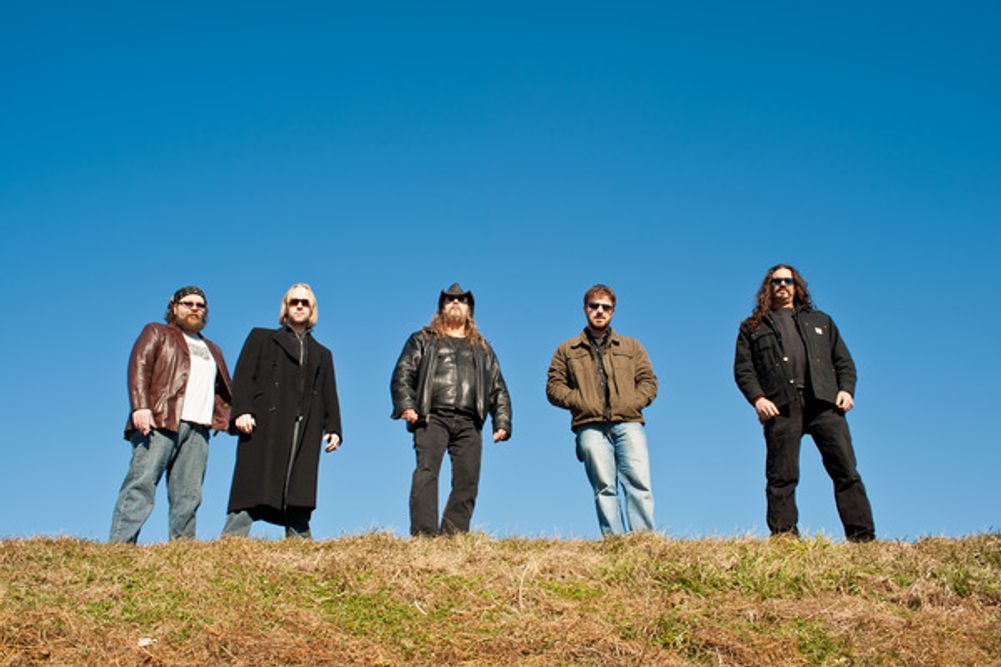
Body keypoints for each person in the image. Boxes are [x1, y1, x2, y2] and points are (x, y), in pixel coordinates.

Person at [734, 264, 875, 542]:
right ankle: (784, 537)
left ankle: (862, 538)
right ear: (768, 288)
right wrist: (758, 398)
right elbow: (743, 369)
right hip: (781, 405)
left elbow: (844, 362)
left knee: (845, 469)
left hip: (823, 402)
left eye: (788, 281)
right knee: (781, 475)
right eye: (776, 281)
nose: (782, 286)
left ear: (796, 286)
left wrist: (846, 390)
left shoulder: (821, 321)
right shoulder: (753, 326)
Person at [110, 286, 232, 543]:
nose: (195, 309)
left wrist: (230, 419)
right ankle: (120, 544)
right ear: (174, 308)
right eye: (188, 304)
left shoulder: (212, 349)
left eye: (200, 305)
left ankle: (183, 547)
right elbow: (140, 365)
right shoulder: (157, 332)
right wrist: (140, 406)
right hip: (160, 420)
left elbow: (222, 391)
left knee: (189, 494)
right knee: (142, 483)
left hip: (199, 428)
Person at [222, 284, 342, 539]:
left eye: (304, 303)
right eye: (294, 301)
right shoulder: (261, 338)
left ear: (312, 310)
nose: (299, 306)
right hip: (265, 421)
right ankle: (233, 537)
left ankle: (299, 537)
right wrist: (242, 410)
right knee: (253, 479)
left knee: (299, 482)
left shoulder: (322, 354)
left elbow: (328, 392)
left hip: (305, 424)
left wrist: (334, 428)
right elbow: (243, 376)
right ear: (285, 308)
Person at [391, 283, 512, 536]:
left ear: (470, 310)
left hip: (470, 422)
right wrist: (406, 405)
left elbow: (497, 386)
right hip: (432, 417)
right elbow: (403, 373)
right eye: (449, 299)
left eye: (462, 300)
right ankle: (424, 534)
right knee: (426, 472)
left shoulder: (482, 348)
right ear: (441, 308)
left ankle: (452, 535)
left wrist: (501, 421)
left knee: (468, 479)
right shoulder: (423, 339)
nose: (456, 302)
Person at [546, 284, 658, 535]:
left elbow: (649, 382)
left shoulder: (631, 347)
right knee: (604, 487)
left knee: (639, 482)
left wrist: (632, 402)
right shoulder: (567, 349)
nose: (599, 311)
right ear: (585, 309)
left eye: (605, 307)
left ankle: (644, 540)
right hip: (589, 426)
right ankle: (614, 539)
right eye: (594, 306)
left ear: (613, 311)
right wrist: (580, 401)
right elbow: (553, 387)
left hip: (628, 422)